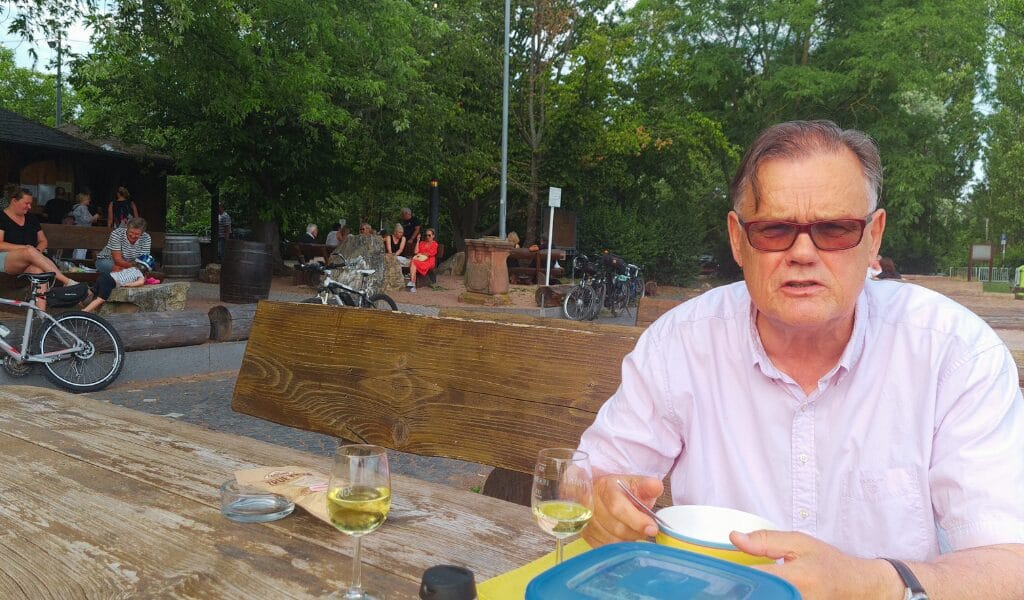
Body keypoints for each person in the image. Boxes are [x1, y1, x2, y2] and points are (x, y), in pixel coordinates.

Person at [577, 120, 1024, 599]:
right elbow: (588, 478)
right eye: (774, 230)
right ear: (737, 238)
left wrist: (874, 584)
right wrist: (600, 502)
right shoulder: (680, 345)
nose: (804, 253)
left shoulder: (953, 353)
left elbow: (1007, 564)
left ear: (874, 237)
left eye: (835, 229)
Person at [1, 185, 79, 310]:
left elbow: (43, 241)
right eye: (26, 203)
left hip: (31, 258)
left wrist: (36, 252)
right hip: (6, 259)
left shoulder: (31, 218)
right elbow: (0, 244)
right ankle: (67, 281)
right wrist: (26, 249)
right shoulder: (2, 217)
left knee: (38, 271)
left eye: (30, 204)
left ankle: (41, 314)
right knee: (29, 250)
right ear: (14, 201)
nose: (29, 207)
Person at [82, 255, 153, 313]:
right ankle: (85, 312)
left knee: (93, 291)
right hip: (110, 281)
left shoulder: (131, 268)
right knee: (101, 299)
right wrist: (128, 284)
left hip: (105, 275)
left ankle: (80, 300)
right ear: (147, 271)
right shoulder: (140, 275)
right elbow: (140, 282)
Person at [407, 228, 438, 293]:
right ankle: (412, 284)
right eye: (426, 235)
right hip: (420, 260)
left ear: (433, 236)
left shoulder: (434, 244)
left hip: (429, 261)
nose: (427, 237)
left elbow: (429, 254)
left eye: (429, 235)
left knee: (413, 262)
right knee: (413, 262)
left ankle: (412, 284)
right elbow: (416, 252)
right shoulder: (422, 243)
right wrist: (418, 241)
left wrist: (421, 253)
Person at [71, 192, 100, 260]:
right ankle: (79, 263)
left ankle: (75, 262)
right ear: (83, 200)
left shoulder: (77, 207)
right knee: (82, 248)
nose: (89, 200)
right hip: (83, 230)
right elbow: (87, 220)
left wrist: (93, 219)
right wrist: (96, 216)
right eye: (88, 199)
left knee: (78, 248)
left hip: (79, 229)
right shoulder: (83, 208)